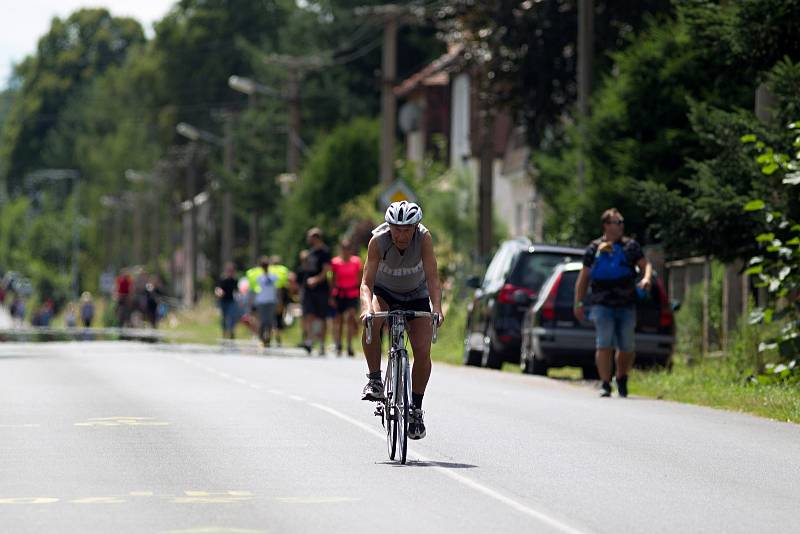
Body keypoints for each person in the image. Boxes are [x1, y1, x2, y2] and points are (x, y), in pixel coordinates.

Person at [360, 201, 444, 440]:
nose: (401, 234)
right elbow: (366, 283)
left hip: (416, 294)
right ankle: (375, 380)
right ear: (389, 227)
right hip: (384, 292)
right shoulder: (378, 241)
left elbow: (432, 277)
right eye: (396, 228)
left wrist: (437, 307)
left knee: (422, 349)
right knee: (373, 320)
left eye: (407, 229)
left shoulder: (424, 239)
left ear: (416, 227)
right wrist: (367, 308)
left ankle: (416, 410)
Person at [574, 208, 653, 398]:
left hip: (626, 303)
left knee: (627, 346)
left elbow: (646, 265)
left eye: (621, 222)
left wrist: (646, 278)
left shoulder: (630, 246)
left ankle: (622, 377)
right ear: (606, 225)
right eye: (617, 222)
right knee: (604, 344)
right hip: (601, 304)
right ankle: (605, 383)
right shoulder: (594, 248)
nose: (621, 226)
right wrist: (578, 303)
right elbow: (583, 278)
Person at [302, 228, 332, 356]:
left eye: (310, 237)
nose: (308, 239)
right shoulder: (310, 252)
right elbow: (307, 269)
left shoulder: (324, 252)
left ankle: (321, 344)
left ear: (316, 237)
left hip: (321, 289)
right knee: (309, 315)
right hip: (309, 289)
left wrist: (316, 280)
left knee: (321, 317)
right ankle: (309, 341)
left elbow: (326, 270)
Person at [331, 239, 362, 356]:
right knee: (339, 320)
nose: (346, 251)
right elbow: (333, 279)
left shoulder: (356, 261)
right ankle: (338, 343)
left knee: (350, 318)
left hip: (352, 293)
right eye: (344, 248)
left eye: (348, 248)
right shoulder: (335, 262)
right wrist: (331, 296)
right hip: (339, 293)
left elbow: (360, 278)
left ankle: (349, 345)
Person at [249, 256, 279, 348]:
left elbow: (277, 289)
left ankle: (268, 339)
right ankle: (261, 338)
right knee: (262, 321)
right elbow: (254, 290)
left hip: (271, 300)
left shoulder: (273, 277)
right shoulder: (258, 277)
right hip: (261, 301)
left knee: (269, 321)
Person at [268, 256, 291, 347]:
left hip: (272, 295)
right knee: (279, 318)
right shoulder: (283, 270)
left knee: (271, 318)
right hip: (281, 294)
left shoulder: (269, 270)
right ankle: (277, 338)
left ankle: (269, 337)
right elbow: (286, 282)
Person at [215, 262, 239, 339]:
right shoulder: (222, 279)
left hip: (231, 301)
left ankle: (231, 331)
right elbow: (218, 289)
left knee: (232, 317)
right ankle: (224, 332)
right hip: (223, 301)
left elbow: (237, 291)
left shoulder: (234, 280)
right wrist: (219, 293)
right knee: (224, 318)